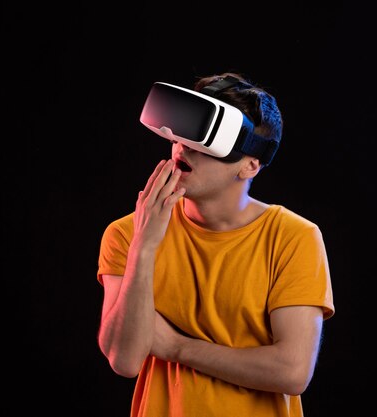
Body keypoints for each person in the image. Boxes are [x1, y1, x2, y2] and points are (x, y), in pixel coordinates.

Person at [96, 72, 335, 417]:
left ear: (250, 165)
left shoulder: (293, 238)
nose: (183, 146)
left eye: (204, 140)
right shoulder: (127, 234)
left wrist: (177, 347)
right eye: (183, 131)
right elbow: (124, 359)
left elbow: (292, 371)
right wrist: (144, 248)